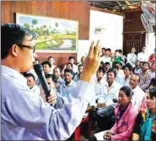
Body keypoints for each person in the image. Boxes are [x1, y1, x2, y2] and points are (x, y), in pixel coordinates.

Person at [1, 23, 101, 140]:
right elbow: (57, 126)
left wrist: (41, 103)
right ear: (15, 49)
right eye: (32, 48)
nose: (35, 54)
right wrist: (87, 76)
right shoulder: (12, 88)